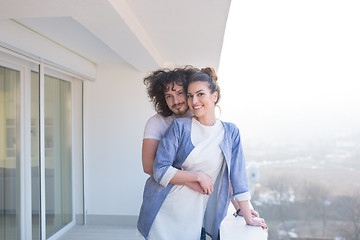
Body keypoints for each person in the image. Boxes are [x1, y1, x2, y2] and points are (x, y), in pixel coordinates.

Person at [138, 67, 267, 240]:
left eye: (182, 93)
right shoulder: (171, 126)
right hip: (166, 207)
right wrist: (196, 178)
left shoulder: (228, 131)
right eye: (169, 96)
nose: (177, 100)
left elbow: (233, 176)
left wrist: (243, 211)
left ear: (214, 96)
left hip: (197, 213)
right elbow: (154, 168)